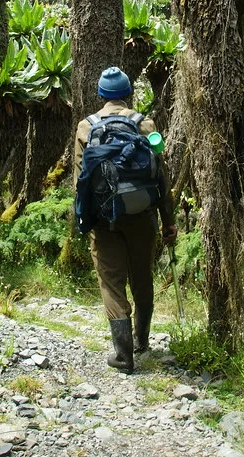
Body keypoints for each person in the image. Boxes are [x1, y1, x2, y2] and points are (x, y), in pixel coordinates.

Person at [74, 66, 177, 374]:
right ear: (128, 93)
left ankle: (123, 355)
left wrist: (83, 218)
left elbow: (81, 177)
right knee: (142, 276)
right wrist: (168, 219)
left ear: (102, 94)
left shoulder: (85, 126)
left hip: (105, 219)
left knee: (111, 280)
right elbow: (160, 174)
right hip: (142, 215)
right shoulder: (145, 123)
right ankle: (141, 340)